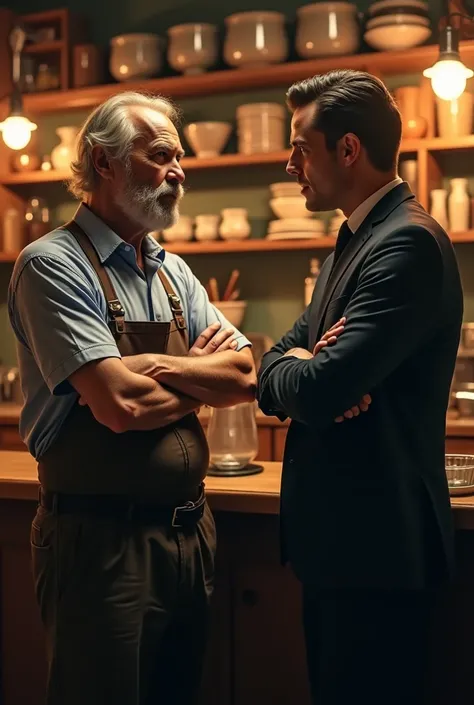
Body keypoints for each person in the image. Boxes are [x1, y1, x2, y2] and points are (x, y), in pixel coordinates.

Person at [8, 91, 256, 705]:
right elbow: (121, 407)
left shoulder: (171, 271)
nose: (180, 171)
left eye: (180, 157)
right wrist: (199, 375)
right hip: (101, 544)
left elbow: (247, 374)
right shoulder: (52, 265)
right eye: (162, 155)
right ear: (104, 162)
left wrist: (153, 367)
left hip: (188, 536)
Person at [257, 70, 463, 705]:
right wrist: (299, 365)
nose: (290, 163)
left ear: (348, 149)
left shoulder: (406, 243)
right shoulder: (354, 240)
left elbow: (316, 390)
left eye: (301, 146)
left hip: (379, 554)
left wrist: (306, 371)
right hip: (344, 550)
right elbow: (271, 378)